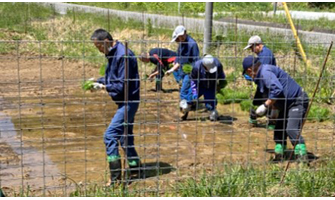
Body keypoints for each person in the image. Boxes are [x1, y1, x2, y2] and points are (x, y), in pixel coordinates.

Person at [91, 28, 142, 186]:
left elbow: (121, 86)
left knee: (110, 136)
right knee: (124, 137)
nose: (99, 50)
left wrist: (104, 87)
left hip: (129, 101)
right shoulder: (113, 54)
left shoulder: (123, 55)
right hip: (125, 101)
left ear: (106, 41)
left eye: (99, 46)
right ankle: (135, 167)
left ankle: (115, 178)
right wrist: (98, 81)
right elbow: (111, 77)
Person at [242, 55, 309, 161]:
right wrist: (273, 108)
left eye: (246, 73)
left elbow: (277, 89)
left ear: (249, 70)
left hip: (297, 101)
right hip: (287, 104)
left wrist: (265, 105)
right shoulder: (263, 73)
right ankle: (280, 152)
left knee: (291, 128)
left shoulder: (265, 73)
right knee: (279, 129)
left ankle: (302, 155)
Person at [165, 25, 200, 120]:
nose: (181, 38)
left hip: (190, 71)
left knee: (184, 91)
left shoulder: (192, 44)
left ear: (185, 32)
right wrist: (174, 67)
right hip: (183, 70)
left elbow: (196, 61)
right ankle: (186, 108)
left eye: (182, 35)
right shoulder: (182, 44)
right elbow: (179, 57)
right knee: (184, 90)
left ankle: (185, 109)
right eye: (179, 36)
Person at [244, 35, 277, 129]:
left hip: (267, 83)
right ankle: (256, 118)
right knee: (261, 102)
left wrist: (253, 77)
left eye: (252, 47)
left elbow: (262, 71)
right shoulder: (262, 53)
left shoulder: (265, 55)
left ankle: (271, 122)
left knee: (268, 103)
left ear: (258, 45)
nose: (251, 50)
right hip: (264, 83)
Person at [190, 55, 226, 121]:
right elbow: (193, 80)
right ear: (204, 66)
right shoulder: (197, 67)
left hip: (211, 86)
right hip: (199, 85)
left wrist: (221, 85)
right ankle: (186, 109)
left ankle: (212, 112)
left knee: (211, 105)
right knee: (189, 99)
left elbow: (221, 76)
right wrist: (194, 92)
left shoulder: (218, 64)